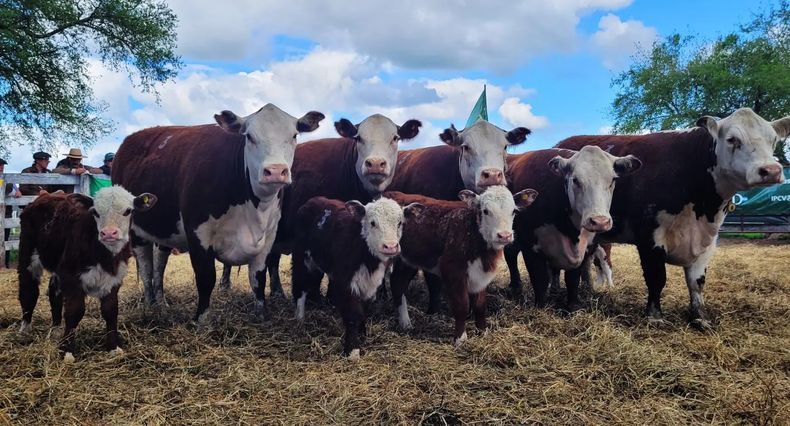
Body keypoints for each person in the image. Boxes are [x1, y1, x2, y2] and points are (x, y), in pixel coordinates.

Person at [1, 158, 20, 268]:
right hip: (4, 212)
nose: (1, 167)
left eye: (3, 165)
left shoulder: (9, 180)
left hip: (6, 213)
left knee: (5, 239)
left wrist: (17, 192)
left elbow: (16, 191)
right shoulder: (7, 181)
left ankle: (6, 263)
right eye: (0, 165)